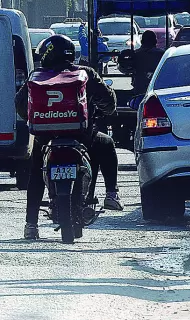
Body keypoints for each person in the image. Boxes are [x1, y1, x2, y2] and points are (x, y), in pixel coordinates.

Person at [15, 34, 122, 240]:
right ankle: (112, 194)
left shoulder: (36, 76)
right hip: (83, 137)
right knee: (107, 143)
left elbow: (20, 106)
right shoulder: (86, 73)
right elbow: (109, 102)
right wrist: (104, 109)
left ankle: (31, 224)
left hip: (45, 139)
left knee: (36, 176)